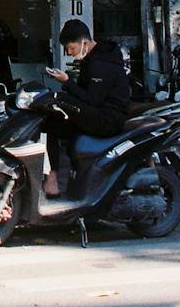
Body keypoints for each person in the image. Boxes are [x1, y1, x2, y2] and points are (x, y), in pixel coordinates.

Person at [42, 19, 130, 198]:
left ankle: (52, 180)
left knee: (53, 115)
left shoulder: (101, 64)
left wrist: (66, 83)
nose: (70, 53)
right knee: (52, 118)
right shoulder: (93, 60)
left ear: (84, 42)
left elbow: (91, 99)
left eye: (71, 48)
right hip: (96, 113)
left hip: (107, 118)